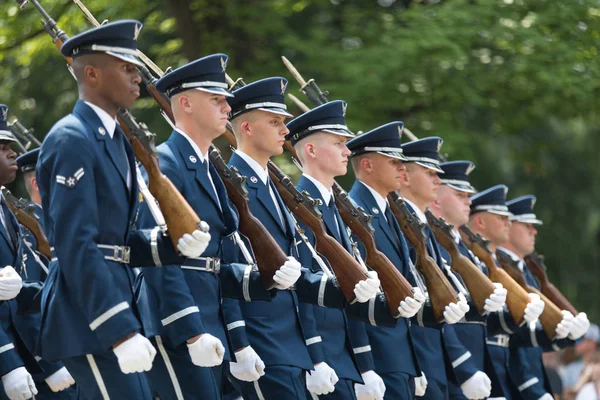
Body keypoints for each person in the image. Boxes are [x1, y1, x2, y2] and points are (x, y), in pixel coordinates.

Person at [37, 20, 209, 399]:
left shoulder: (114, 141)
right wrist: (119, 330)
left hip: (115, 306)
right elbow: (76, 244)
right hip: (89, 317)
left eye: (137, 68)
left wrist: (171, 244)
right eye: (126, 68)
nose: (138, 76)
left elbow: (119, 240)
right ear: (93, 74)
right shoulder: (72, 139)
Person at [136, 58, 302, 400]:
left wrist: (260, 281)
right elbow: (157, 259)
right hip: (178, 326)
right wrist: (190, 329)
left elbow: (216, 261)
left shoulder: (211, 169)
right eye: (216, 99)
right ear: (184, 103)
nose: (228, 106)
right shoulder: (166, 163)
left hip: (212, 324)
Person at [287, 101, 384, 399]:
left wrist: (364, 364)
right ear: (311, 150)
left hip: (343, 356)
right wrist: (316, 356)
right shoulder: (300, 206)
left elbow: (349, 292)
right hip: (322, 356)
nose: (348, 151)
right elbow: (300, 286)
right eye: (339, 143)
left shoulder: (333, 208)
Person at [345, 121, 433, 398]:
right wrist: (365, 365)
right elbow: (355, 292)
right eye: (394, 162)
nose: (402, 169)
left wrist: (414, 364)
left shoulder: (388, 212)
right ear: (368, 165)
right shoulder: (355, 211)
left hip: (400, 354)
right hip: (379, 353)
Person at [398, 137, 471, 399]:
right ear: (404, 176)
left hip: (433, 358)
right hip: (417, 357)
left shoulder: (423, 227)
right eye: (430, 173)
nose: (438, 181)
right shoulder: (402, 224)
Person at [428, 160, 508, 400]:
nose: (469, 202)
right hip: (450, 371)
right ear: (436, 200)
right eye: (460, 195)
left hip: (475, 369)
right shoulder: (434, 243)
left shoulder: (463, 248)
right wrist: (464, 367)